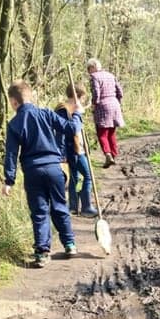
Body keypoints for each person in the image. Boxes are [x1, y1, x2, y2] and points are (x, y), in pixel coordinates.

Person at [2, 79, 80, 268]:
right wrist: (77, 114)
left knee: (39, 211)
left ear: (14, 102)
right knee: (60, 206)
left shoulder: (14, 124)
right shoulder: (46, 113)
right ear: (31, 96)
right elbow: (71, 129)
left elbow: (11, 154)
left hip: (33, 172)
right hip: (54, 168)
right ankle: (69, 244)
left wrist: (9, 180)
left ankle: (42, 252)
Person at [55, 82, 98, 218]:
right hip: (73, 150)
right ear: (77, 96)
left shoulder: (71, 108)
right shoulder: (64, 110)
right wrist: (62, 155)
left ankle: (73, 207)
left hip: (76, 148)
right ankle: (86, 207)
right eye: (82, 98)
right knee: (87, 176)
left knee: (75, 177)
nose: (82, 101)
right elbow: (65, 131)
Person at [86, 58, 125, 168]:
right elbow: (120, 92)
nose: (89, 72)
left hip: (103, 106)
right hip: (114, 104)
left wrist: (94, 104)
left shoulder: (94, 77)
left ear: (93, 67)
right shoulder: (110, 75)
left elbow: (96, 93)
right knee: (111, 132)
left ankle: (108, 154)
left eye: (89, 69)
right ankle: (113, 154)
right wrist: (117, 101)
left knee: (102, 133)